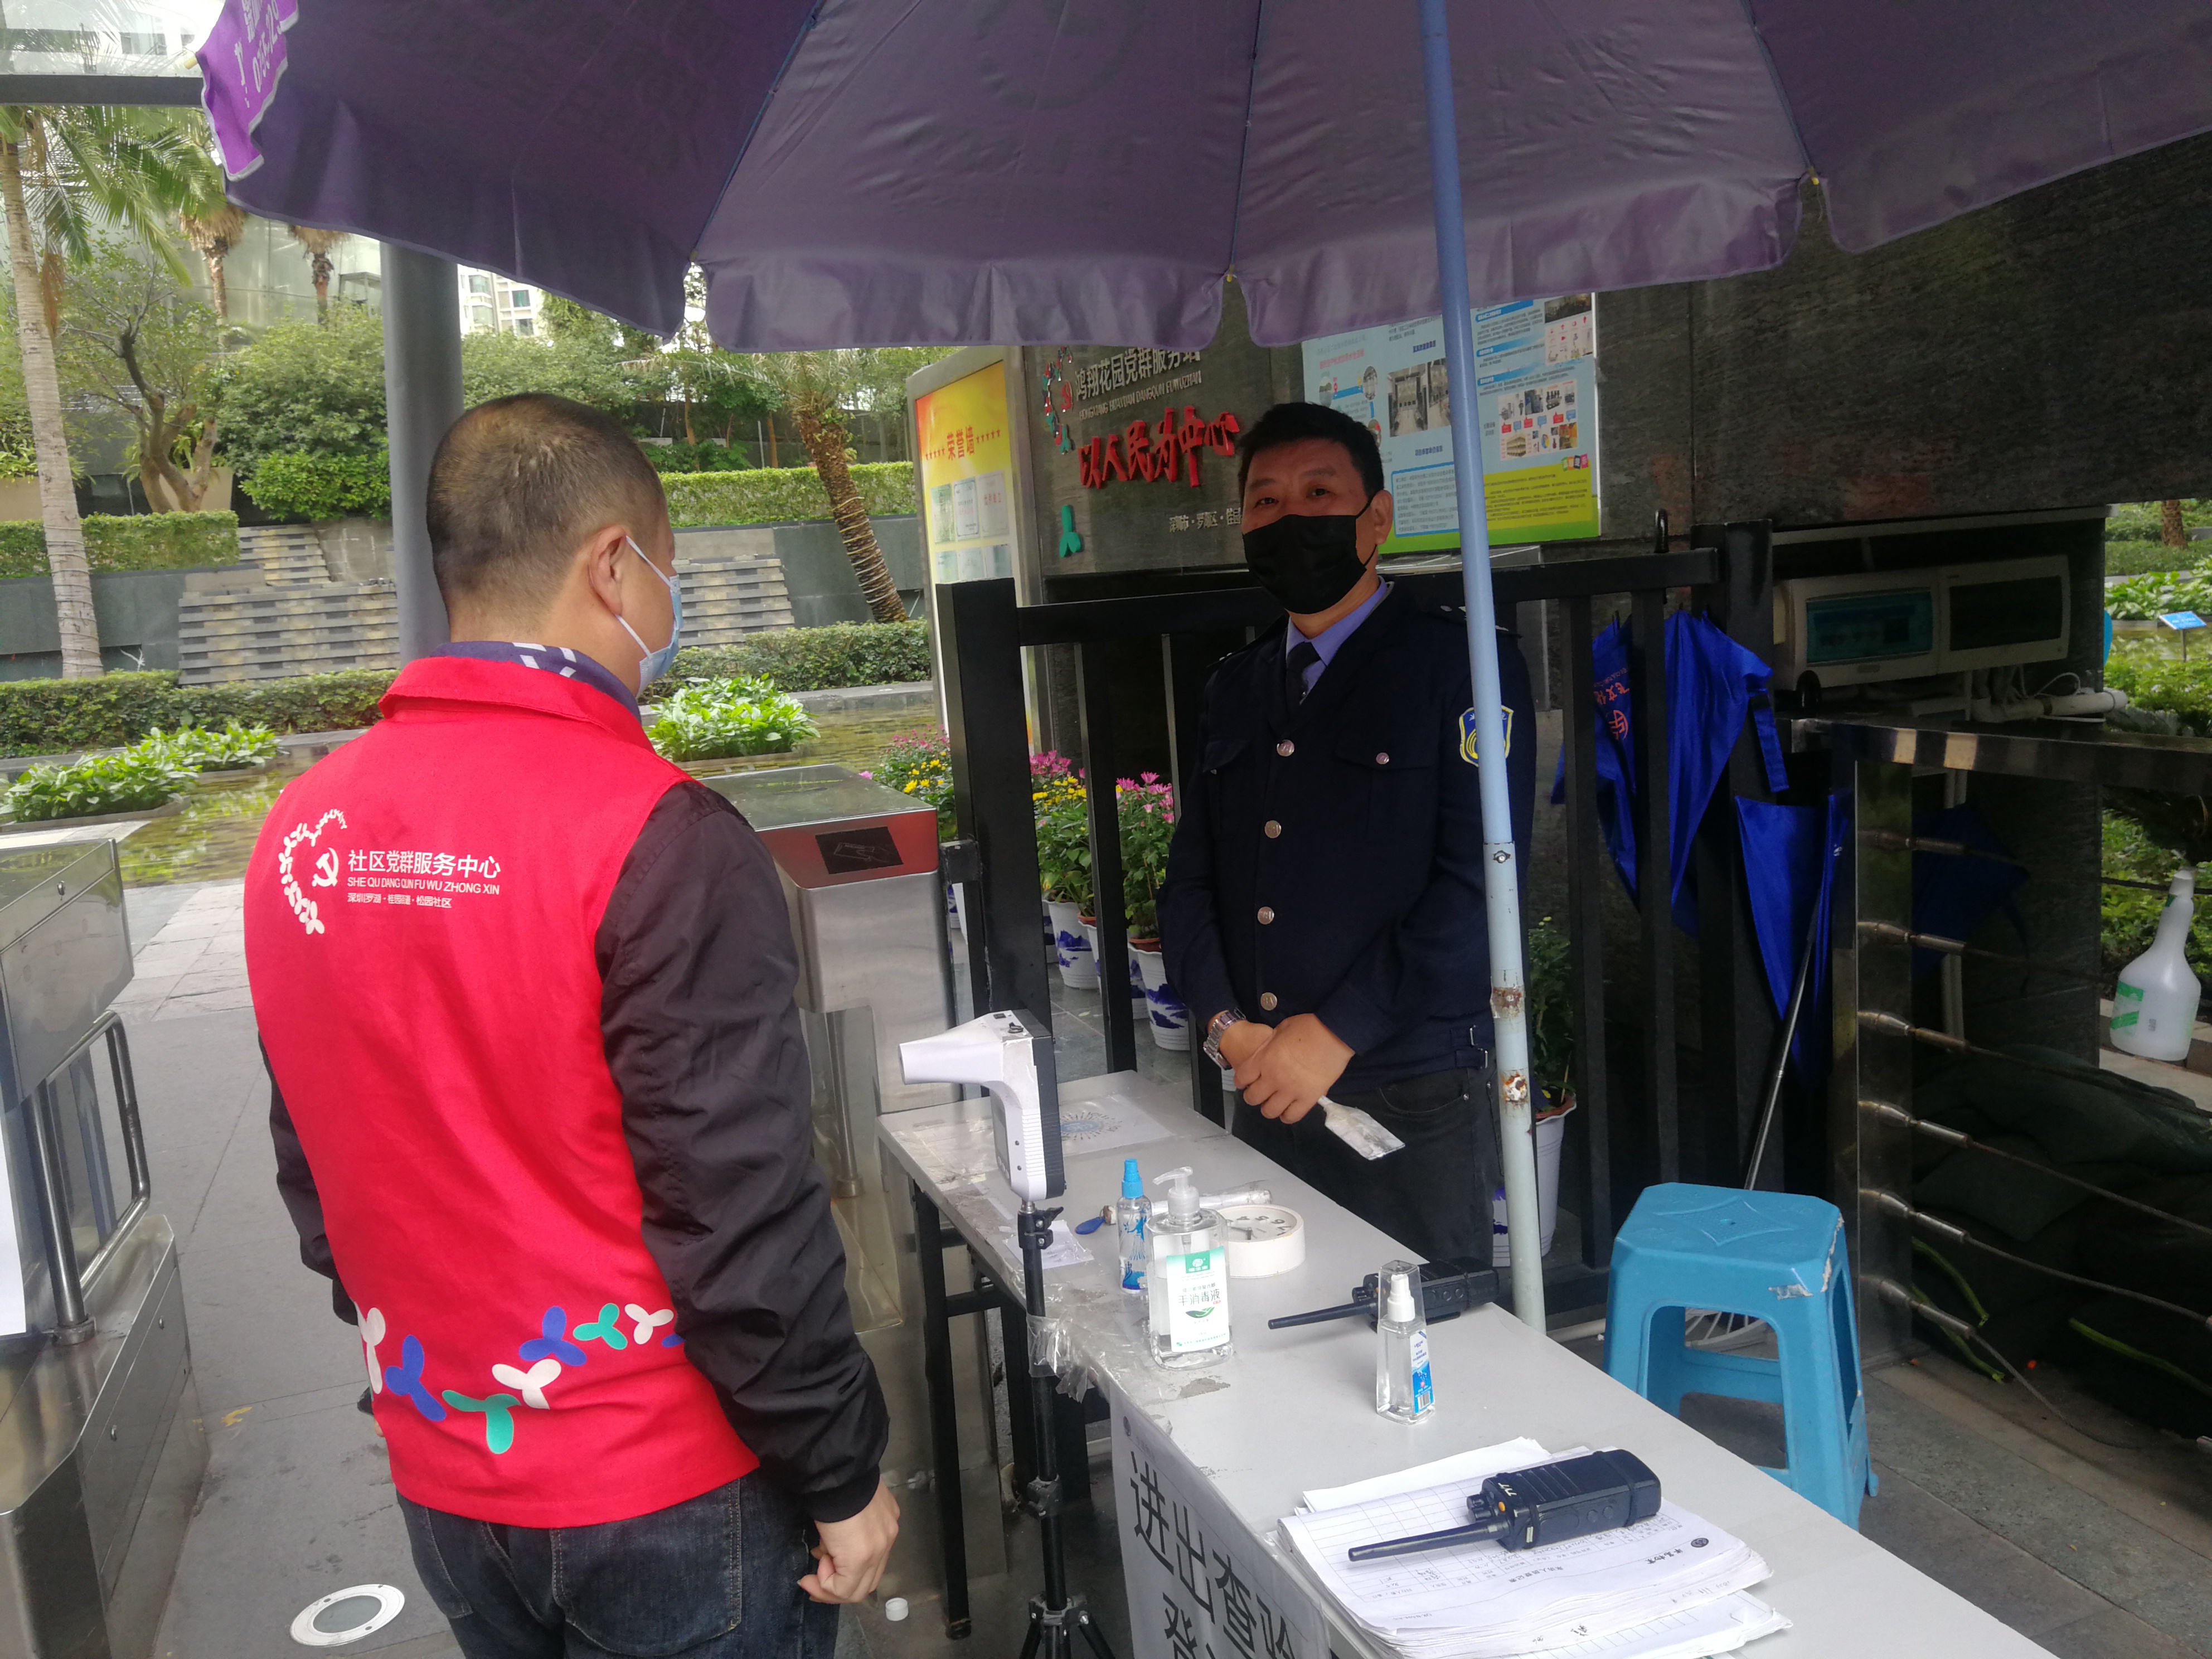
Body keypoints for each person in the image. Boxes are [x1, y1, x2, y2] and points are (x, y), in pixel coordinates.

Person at [245, 394, 897, 1659]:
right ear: (612, 565)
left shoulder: (301, 828)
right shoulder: (657, 832)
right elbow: (738, 1208)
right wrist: (839, 1465)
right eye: (667, 569)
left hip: (447, 1478)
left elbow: (312, 1163)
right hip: (671, 1487)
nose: (666, 601)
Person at [1158, 401, 1535, 1263]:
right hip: (1264, 1079)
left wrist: (1334, 1034)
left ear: (1378, 517)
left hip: (1407, 1086)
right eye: (1266, 501)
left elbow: (1483, 882)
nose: (1291, 519)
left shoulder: (1462, 666)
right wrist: (1226, 1027)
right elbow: (1192, 880)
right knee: (1272, 1321)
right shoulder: (1236, 684)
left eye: (1319, 493)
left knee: (1422, 1328)